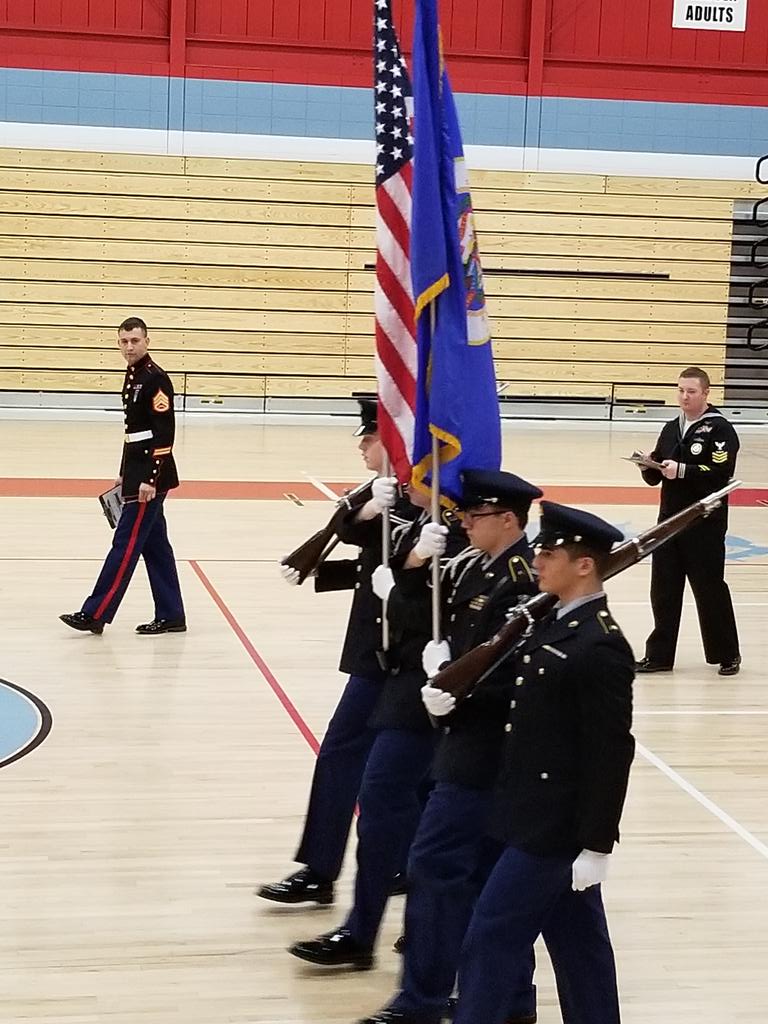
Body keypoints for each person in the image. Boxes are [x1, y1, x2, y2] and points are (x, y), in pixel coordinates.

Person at [357, 470, 542, 1024]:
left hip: (486, 750)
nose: (462, 520)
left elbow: (517, 673)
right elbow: (419, 613)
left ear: (507, 520)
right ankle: (510, 1000)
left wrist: (456, 683)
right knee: (482, 875)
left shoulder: (522, 579)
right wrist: (410, 566)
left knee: (435, 865)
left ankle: (423, 999)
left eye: (476, 515)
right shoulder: (471, 567)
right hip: (460, 743)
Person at [451, 501, 636, 1024]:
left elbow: (610, 751)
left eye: (550, 552)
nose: (538, 558)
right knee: (581, 949)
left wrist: (597, 843)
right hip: (525, 812)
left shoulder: (599, 645)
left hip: (554, 828)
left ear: (584, 565)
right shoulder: (551, 621)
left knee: (489, 936)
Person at [288, 491, 468, 969]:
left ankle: (418, 929)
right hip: (393, 664)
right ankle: (358, 921)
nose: (366, 448)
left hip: (432, 680)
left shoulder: (452, 521)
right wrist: (370, 509)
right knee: (380, 796)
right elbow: (355, 533)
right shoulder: (398, 499)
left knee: (426, 805)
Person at [257, 397, 415, 907]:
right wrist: (372, 505)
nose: (362, 446)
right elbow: (347, 522)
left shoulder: (428, 495)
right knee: (346, 754)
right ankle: (323, 867)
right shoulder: (386, 488)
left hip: (409, 650)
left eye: (369, 438)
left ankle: (398, 866)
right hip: (374, 645)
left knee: (405, 768)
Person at [59, 317, 185, 636]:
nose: (129, 346)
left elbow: (164, 435)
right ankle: (172, 614)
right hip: (135, 475)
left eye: (135, 341)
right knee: (155, 546)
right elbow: (134, 435)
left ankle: (95, 612)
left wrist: (149, 481)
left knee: (125, 545)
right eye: (124, 341)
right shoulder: (133, 377)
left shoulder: (156, 379)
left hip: (148, 482)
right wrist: (122, 474)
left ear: (147, 341)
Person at [634, 367, 741, 675]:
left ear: (706, 393)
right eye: (680, 390)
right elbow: (657, 476)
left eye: (691, 391)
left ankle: (727, 654)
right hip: (669, 522)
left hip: (703, 523)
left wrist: (681, 470)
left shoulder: (720, 430)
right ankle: (659, 656)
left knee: (709, 589)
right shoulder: (671, 428)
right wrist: (647, 466)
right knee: (664, 589)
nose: (684, 396)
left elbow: (720, 474)